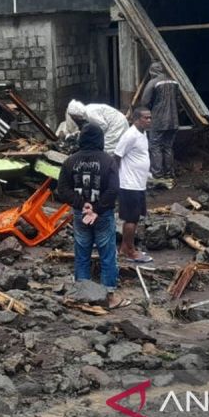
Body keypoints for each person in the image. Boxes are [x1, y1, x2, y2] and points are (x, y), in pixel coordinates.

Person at [57, 123, 130, 309]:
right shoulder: (108, 161)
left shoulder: (69, 161)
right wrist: (96, 208)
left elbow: (62, 190)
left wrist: (83, 205)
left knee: (82, 253)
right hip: (103, 215)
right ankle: (109, 297)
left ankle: (82, 294)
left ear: (81, 139)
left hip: (81, 214)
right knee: (107, 254)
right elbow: (113, 189)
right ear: (100, 139)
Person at [114, 106, 153, 263]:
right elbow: (117, 156)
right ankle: (130, 251)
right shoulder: (130, 135)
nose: (149, 120)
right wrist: (115, 180)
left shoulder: (142, 134)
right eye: (146, 118)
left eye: (150, 117)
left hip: (139, 183)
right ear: (137, 119)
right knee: (131, 219)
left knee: (134, 219)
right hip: (129, 184)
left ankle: (124, 248)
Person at [140, 62, 180, 188]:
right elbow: (179, 101)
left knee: (155, 146)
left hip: (159, 121)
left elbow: (145, 101)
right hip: (174, 121)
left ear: (152, 71)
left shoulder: (153, 83)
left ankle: (158, 175)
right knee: (168, 147)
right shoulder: (174, 82)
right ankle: (169, 173)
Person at [62, 100, 129, 155]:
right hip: (117, 121)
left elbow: (103, 126)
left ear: (76, 114)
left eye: (73, 116)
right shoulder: (87, 110)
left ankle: (110, 164)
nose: (73, 118)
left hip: (116, 124)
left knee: (107, 148)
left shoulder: (89, 114)